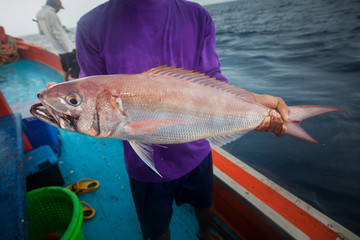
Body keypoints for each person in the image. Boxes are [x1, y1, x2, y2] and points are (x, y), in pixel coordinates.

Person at [67, 0, 288, 239]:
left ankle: (205, 235)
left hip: (197, 149)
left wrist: (254, 101)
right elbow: (90, 90)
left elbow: (211, 78)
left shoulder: (197, 15)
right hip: (145, 164)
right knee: (157, 229)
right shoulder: (90, 26)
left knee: (205, 204)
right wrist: (69, 107)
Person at [36, 0, 80, 79]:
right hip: (67, 50)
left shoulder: (39, 13)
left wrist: (60, 28)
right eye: (59, 8)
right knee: (75, 74)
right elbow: (59, 34)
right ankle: (76, 90)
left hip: (59, 51)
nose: (58, 10)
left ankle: (64, 85)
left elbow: (42, 32)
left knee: (66, 70)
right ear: (56, 2)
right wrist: (72, 52)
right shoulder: (51, 14)